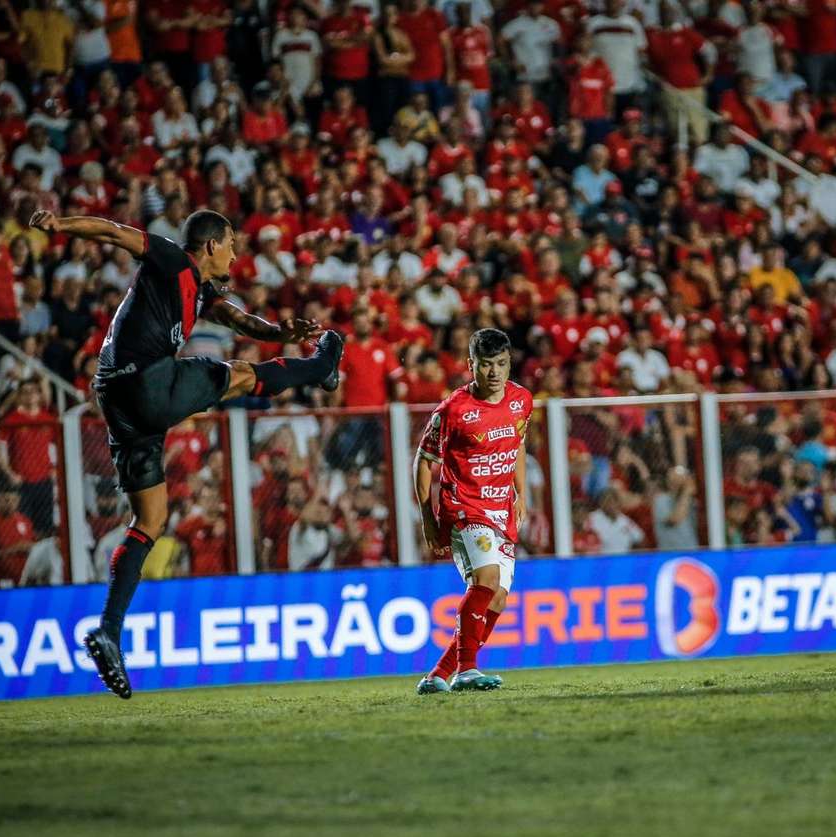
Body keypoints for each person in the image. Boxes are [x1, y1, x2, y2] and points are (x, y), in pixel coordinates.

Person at [28, 207, 342, 699]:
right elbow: (114, 232)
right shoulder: (173, 260)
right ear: (212, 244)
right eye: (232, 243)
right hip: (146, 380)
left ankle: (108, 630)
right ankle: (320, 369)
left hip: (118, 399)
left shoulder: (206, 291)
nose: (237, 252)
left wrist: (280, 334)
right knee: (237, 375)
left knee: (150, 519)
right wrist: (60, 226)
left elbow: (240, 320)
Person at [414, 327, 533, 694]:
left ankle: (438, 675)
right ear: (471, 365)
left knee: (497, 596)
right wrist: (428, 519)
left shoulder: (522, 400)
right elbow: (424, 459)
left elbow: (517, 446)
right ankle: (468, 670)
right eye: (485, 365)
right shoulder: (454, 410)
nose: (494, 372)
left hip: (501, 510)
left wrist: (521, 493)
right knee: (487, 581)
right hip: (464, 507)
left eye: (501, 364)